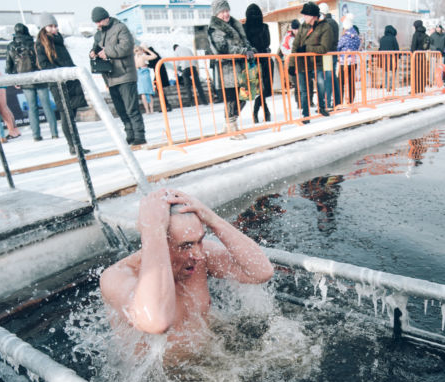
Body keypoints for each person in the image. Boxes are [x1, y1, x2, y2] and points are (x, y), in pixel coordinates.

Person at [99, 188, 274, 342]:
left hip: (210, 363)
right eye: (185, 245)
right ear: (158, 243)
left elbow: (260, 272)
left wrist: (213, 220)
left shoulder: (200, 258)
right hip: (158, 378)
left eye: (200, 240)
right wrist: (153, 230)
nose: (198, 254)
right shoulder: (118, 276)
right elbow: (155, 321)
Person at [90, 6, 146, 146]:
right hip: (110, 76)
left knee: (131, 108)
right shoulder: (99, 33)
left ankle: (139, 135)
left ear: (106, 18)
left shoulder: (120, 28)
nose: (98, 24)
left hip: (125, 74)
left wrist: (107, 52)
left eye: (100, 21)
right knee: (121, 110)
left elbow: (126, 47)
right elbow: (96, 46)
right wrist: (93, 52)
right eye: (96, 22)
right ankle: (130, 134)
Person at [36, 12, 90, 155]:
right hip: (59, 83)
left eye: (55, 26)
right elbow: (43, 64)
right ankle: (72, 145)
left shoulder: (58, 40)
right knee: (66, 116)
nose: (54, 29)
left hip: (70, 81)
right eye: (50, 26)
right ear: (43, 28)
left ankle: (77, 144)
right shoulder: (42, 43)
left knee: (71, 115)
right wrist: (61, 72)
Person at [207, 0, 255, 139]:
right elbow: (222, 48)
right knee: (231, 98)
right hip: (227, 69)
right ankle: (232, 128)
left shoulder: (235, 24)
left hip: (240, 67)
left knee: (245, 96)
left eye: (227, 11)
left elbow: (244, 41)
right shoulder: (214, 28)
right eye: (222, 12)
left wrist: (249, 49)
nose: (226, 14)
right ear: (216, 14)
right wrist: (243, 51)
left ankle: (228, 123)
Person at [6, 23, 58, 142]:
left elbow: (9, 66)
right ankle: (54, 133)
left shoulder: (11, 46)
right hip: (39, 77)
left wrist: (15, 78)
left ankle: (36, 135)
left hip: (25, 79)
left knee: (32, 107)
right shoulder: (34, 43)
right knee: (47, 106)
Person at [290, 2, 333, 121]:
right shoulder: (303, 26)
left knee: (320, 86)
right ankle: (305, 114)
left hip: (316, 62)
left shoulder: (325, 27)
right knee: (304, 90)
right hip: (302, 63)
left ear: (314, 16)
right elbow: (295, 46)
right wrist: (292, 64)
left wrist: (306, 49)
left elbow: (324, 48)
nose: (304, 17)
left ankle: (322, 107)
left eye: (306, 15)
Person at [243, 3, 272, 124]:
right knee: (262, 88)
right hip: (263, 59)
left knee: (258, 89)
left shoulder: (244, 27)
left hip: (251, 61)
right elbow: (267, 43)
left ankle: (260, 111)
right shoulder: (264, 26)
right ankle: (262, 111)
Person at [319, 2, 341, 110]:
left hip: (327, 54)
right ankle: (337, 101)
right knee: (333, 77)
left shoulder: (324, 23)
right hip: (334, 53)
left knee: (327, 78)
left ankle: (327, 104)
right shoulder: (335, 23)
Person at [337, 19, 360, 105]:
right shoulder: (356, 37)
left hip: (344, 62)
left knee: (340, 82)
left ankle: (339, 101)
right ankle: (350, 101)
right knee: (351, 82)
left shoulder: (344, 37)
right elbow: (357, 47)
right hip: (354, 62)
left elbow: (338, 48)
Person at [146, 46, 173, 112]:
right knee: (160, 90)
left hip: (159, 74)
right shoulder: (156, 55)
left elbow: (152, 65)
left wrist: (146, 65)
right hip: (160, 73)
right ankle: (166, 105)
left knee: (160, 90)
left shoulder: (153, 56)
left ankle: (166, 106)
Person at [280, 19, 300, 107]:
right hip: (292, 62)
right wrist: (291, 52)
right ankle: (299, 102)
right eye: (294, 29)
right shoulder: (287, 37)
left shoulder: (302, 35)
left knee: (305, 82)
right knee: (297, 83)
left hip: (301, 62)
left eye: (297, 29)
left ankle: (308, 100)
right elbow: (283, 48)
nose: (296, 31)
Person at [135, 46, 156, 114]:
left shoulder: (134, 58)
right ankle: (151, 109)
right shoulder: (143, 56)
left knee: (143, 93)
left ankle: (147, 110)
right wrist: (147, 50)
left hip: (138, 73)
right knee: (148, 92)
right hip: (144, 73)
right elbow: (154, 56)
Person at [378, 25, 398, 91]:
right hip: (392, 58)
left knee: (386, 72)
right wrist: (398, 57)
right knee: (393, 72)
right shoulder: (393, 38)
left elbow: (380, 49)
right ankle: (393, 86)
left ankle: (387, 86)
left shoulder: (382, 38)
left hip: (384, 57)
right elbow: (396, 48)